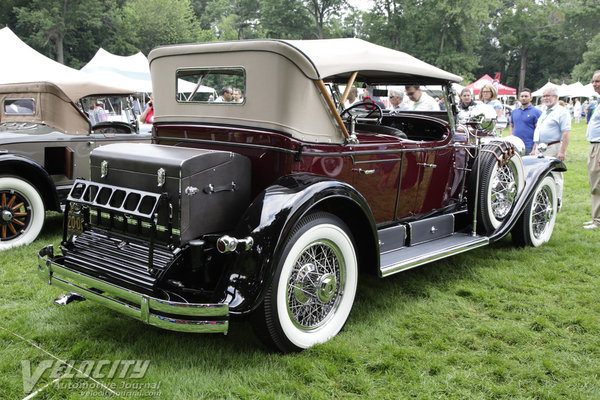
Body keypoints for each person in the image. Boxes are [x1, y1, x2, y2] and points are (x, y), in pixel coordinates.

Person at [532, 85, 571, 160]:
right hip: (539, 148)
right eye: (544, 96)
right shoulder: (544, 112)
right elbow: (538, 131)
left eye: (548, 96)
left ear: (555, 97)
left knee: (553, 171)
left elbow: (566, 132)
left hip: (552, 147)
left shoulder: (562, 112)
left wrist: (562, 152)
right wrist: (534, 149)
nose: (545, 98)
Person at [584, 70, 600, 229]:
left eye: (598, 81)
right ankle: (596, 217)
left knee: (597, 184)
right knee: (594, 182)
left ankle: (598, 220)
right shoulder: (598, 101)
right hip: (594, 145)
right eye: (594, 81)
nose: (595, 84)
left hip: (599, 146)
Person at [509, 88, 541, 155]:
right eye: (522, 96)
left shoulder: (537, 112)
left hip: (529, 146)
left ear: (531, 98)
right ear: (519, 98)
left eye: (526, 96)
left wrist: (534, 149)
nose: (523, 98)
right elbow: (511, 126)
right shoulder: (514, 112)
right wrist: (511, 139)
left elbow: (539, 131)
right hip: (516, 146)